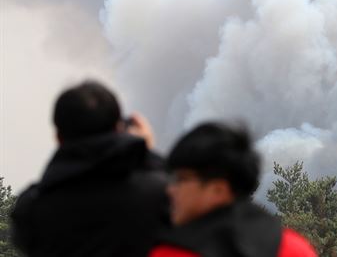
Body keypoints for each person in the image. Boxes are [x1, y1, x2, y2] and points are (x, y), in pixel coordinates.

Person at [11, 80, 170, 257]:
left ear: (58, 137)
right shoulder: (160, 194)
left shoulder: (32, 208)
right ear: (118, 128)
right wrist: (147, 153)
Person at [149, 121, 316, 257]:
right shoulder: (294, 247)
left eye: (181, 179)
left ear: (218, 190)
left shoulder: (172, 253)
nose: (170, 189)